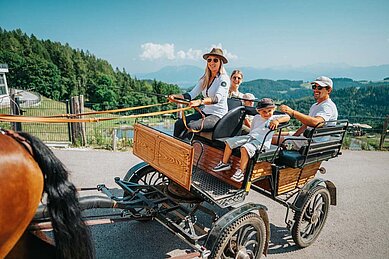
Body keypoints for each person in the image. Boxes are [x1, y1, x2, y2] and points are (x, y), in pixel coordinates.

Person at [212, 98, 290, 182]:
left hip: (261, 141)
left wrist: (277, 121)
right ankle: (225, 163)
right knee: (229, 142)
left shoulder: (274, 117)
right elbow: (253, 130)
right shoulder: (256, 117)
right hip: (251, 136)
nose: (267, 113)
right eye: (264, 111)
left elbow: (287, 117)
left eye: (269, 111)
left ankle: (241, 172)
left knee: (245, 148)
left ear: (273, 110)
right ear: (259, 111)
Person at [169, 48, 230, 139]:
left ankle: (184, 151)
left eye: (215, 60)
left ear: (220, 62)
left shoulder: (224, 79)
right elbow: (191, 94)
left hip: (218, 115)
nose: (212, 62)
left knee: (191, 127)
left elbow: (216, 98)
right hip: (205, 112)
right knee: (179, 124)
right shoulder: (204, 79)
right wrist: (176, 97)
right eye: (209, 60)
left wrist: (200, 101)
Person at [275, 76, 338, 149]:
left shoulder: (327, 106)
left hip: (312, 142)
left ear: (329, 90)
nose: (315, 90)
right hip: (307, 137)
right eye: (314, 87)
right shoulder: (315, 105)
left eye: (319, 87)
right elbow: (306, 125)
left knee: (270, 140)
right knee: (274, 135)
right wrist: (293, 137)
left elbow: (316, 123)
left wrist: (292, 112)